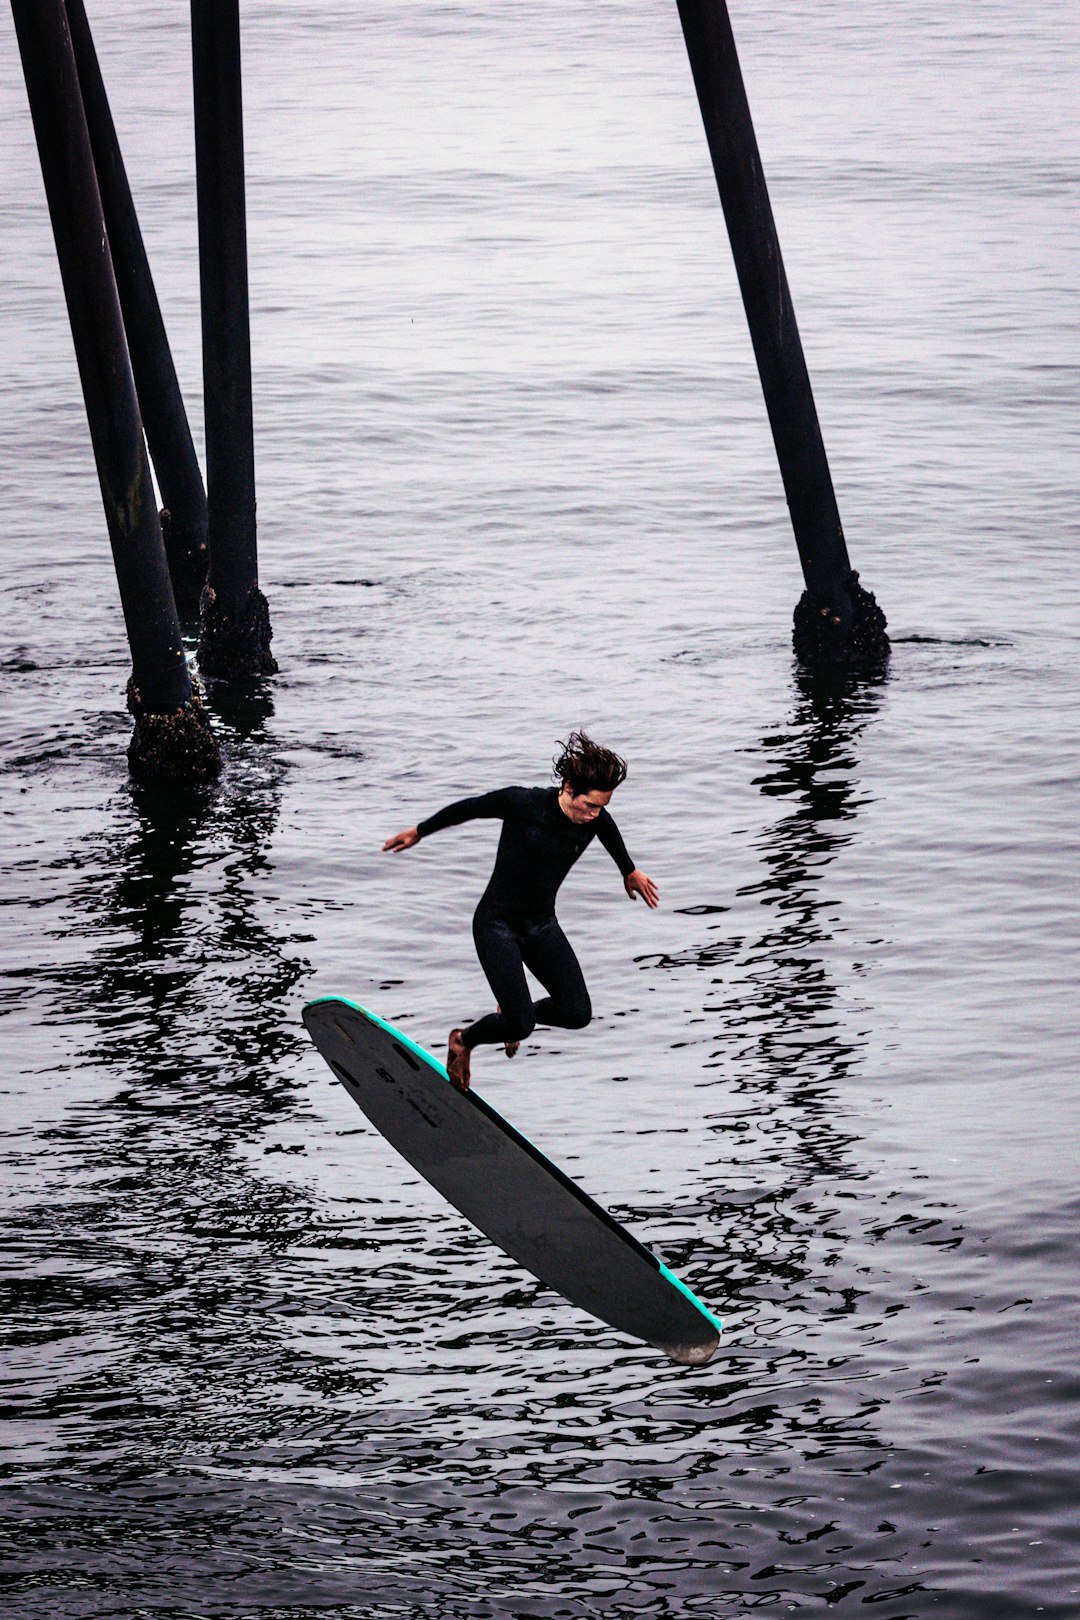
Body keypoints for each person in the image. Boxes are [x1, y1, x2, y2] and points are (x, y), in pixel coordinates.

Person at [382, 731, 659, 1090]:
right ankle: (464, 1040)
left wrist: (629, 870)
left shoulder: (595, 819)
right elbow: (471, 807)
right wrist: (420, 830)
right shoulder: (522, 804)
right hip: (496, 926)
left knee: (576, 1013)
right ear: (569, 787)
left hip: (541, 927)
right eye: (590, 805)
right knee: (521, 1025)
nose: (594, 815)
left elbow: (607, 830)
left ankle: (511, 1014)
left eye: (601, 807)